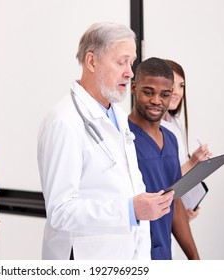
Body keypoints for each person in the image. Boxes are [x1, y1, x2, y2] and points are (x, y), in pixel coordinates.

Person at [37, 22, 174, 260]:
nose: (130, 72)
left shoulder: (119, 117)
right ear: (91, 62)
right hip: (83, 256)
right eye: (121, 62)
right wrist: (129, 210)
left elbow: (132, 188)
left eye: (131, 63)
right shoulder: (64, 122)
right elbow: (60, 211)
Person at [128, 57, 199, 260]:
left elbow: (173, 200)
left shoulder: (171, 139)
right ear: (134, 88)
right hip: (132, 254)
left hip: (163, 253)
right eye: (148, 92)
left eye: (165, 94)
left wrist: (194, 257)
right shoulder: (121, 138)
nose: (157, 101)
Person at [161, 59, 212, 220]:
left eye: (181, 86)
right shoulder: (152, 128)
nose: (177, 92)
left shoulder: (177, 124)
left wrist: (188, 209)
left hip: (175, 209)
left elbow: (181, 174)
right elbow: (162, 180)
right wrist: (192, 162)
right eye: (172, 85)